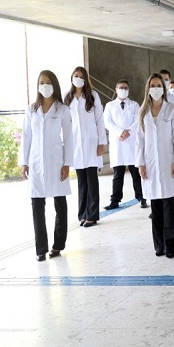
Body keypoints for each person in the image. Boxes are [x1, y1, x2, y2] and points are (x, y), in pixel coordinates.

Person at [21, 70, 73, 261]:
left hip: (56, 161)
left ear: (55, 85)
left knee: (60, 204)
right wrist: (24, 162)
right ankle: (40, 249)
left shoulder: (62, 110)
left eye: (48, 82)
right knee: (37, 205)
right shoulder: (31, 109)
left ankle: (58, 244)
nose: (45, 86)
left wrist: (67, 164)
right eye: (41, 82)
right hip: (35, 162)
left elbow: (68, 138)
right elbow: (26, 137)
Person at [136, 73, 174, 258]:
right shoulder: (142, 112)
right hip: (150, 164)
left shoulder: (171, 109)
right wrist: (140, 164)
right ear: (148, 89)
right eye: (152, 85)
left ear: (163, 88)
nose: (155, 88)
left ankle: (170, 245)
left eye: (158, 85)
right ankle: (159, 245)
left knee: (169, 207)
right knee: (155, 208)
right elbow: (139, 141)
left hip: (168, 162)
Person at [64, 66, 106, 227]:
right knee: (81, 181)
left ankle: (92, 215)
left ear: (86, 78)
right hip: (76, 144)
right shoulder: (67, 97)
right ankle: (82, 214)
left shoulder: (93, 96)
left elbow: (100, 120)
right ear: (72, 78)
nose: (78, 78)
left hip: (91, 142)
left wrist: (102, 142)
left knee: (91, 180)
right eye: (75, 75)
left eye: (81, 76)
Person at [104, 80, 146, 210]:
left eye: (125, 88)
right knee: (118, 175)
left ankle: (141, 197)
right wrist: (120, 132)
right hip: (118, 143)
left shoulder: (134, 105)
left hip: (131, 141)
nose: (123, 89)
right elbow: (107, 122)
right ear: (116, 89)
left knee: (136, 174)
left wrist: (128, 132)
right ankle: (115, 200)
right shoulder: (110, 105)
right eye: (121, 87)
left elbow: (138, 120)